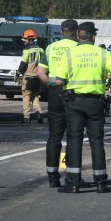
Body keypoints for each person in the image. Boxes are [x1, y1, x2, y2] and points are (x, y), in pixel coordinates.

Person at [55, 22, 111, 193]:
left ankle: (73, 182)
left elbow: (59, 81)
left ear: (78, 35)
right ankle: (101, 182)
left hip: (74, 102)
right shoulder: (101, 53)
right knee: (97, 141)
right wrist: (110, 83)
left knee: (74, 141)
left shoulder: (70, 54)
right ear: (93, 37)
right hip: (95, 102)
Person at [37, 19, 90, 188]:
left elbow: (40, 72)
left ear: (61, 31)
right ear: (76, 33)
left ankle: (52, 176)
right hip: (72, 93)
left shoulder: (51, 47)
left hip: (54, 93)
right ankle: (73, 176)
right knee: (74, 136)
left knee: (54, 136)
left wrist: (51, 84)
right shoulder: (78, 47)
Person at [16, 29, 44, 124]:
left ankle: (26, 117)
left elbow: (23, 62)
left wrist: (18, 72)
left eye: (25, 39)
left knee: (26, 96)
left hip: (28, 76)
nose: (24, 41)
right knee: (35, 96)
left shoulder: (27, 50)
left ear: (29, 39)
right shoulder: (41, 49)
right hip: (38, 77)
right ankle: (39, 112)